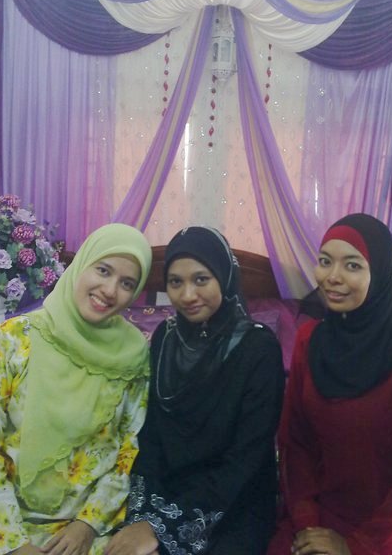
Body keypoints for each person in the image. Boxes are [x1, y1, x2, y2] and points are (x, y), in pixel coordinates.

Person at [0, 223, 153, 555]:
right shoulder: (13, 339)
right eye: (103, 270)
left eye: (127, 283)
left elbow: (128, 452)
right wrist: (14, 545)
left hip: (82, 529)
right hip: (1, 524)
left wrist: (87, 524)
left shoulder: (133, 355)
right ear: (81, 265)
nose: (110, 290)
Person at [267, 213, 392, 555]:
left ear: (378, 274)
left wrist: (358, 546)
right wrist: (307, 521)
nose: (332, 277)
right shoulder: (310, 341)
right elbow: (297, 445)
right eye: (325, 262)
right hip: (319, 519)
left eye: (352, 266)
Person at [105, 226, 286, 555]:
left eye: (201, 279)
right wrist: (144, 516)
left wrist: (162, 527)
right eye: (176, 282)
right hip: (167, 487)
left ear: (224, 277)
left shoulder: (258, 348)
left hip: (234, 502)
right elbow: (151, 435)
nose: (187, 295)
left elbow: (246, 458)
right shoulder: (165, 337)